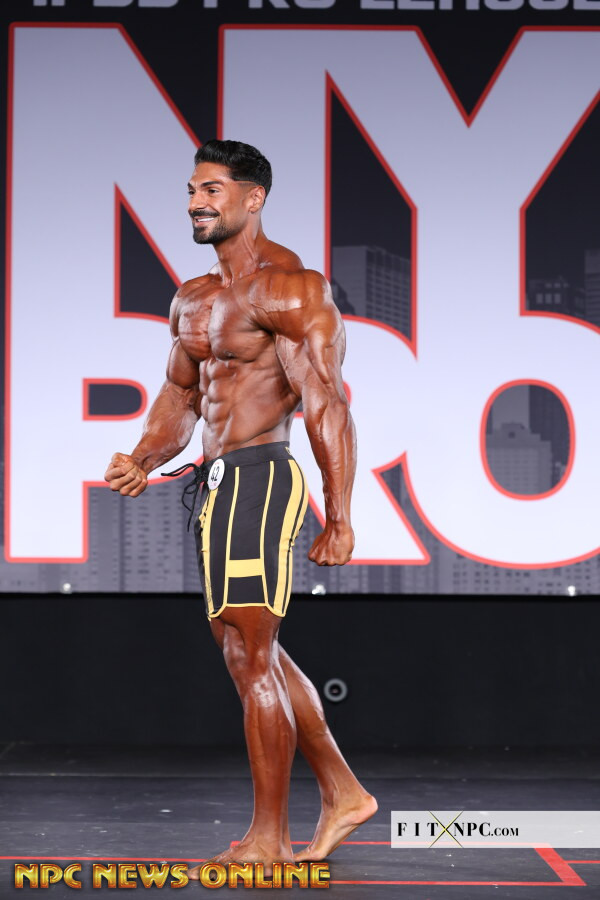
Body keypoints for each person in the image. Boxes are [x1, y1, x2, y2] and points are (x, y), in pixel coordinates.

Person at [104, 140, 377, 873]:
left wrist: (340, 514)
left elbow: (326, 401)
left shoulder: (289, 289)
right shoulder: (193, 297)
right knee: (248, 650)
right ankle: (344, 793)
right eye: (193, 189)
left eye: (213, 190)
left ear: (253, 199)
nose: (197, 202)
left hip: (261, 477)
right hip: (218, 483)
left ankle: (268, 837)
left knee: (251, 656)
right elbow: (182, 395)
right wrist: (143, 457)